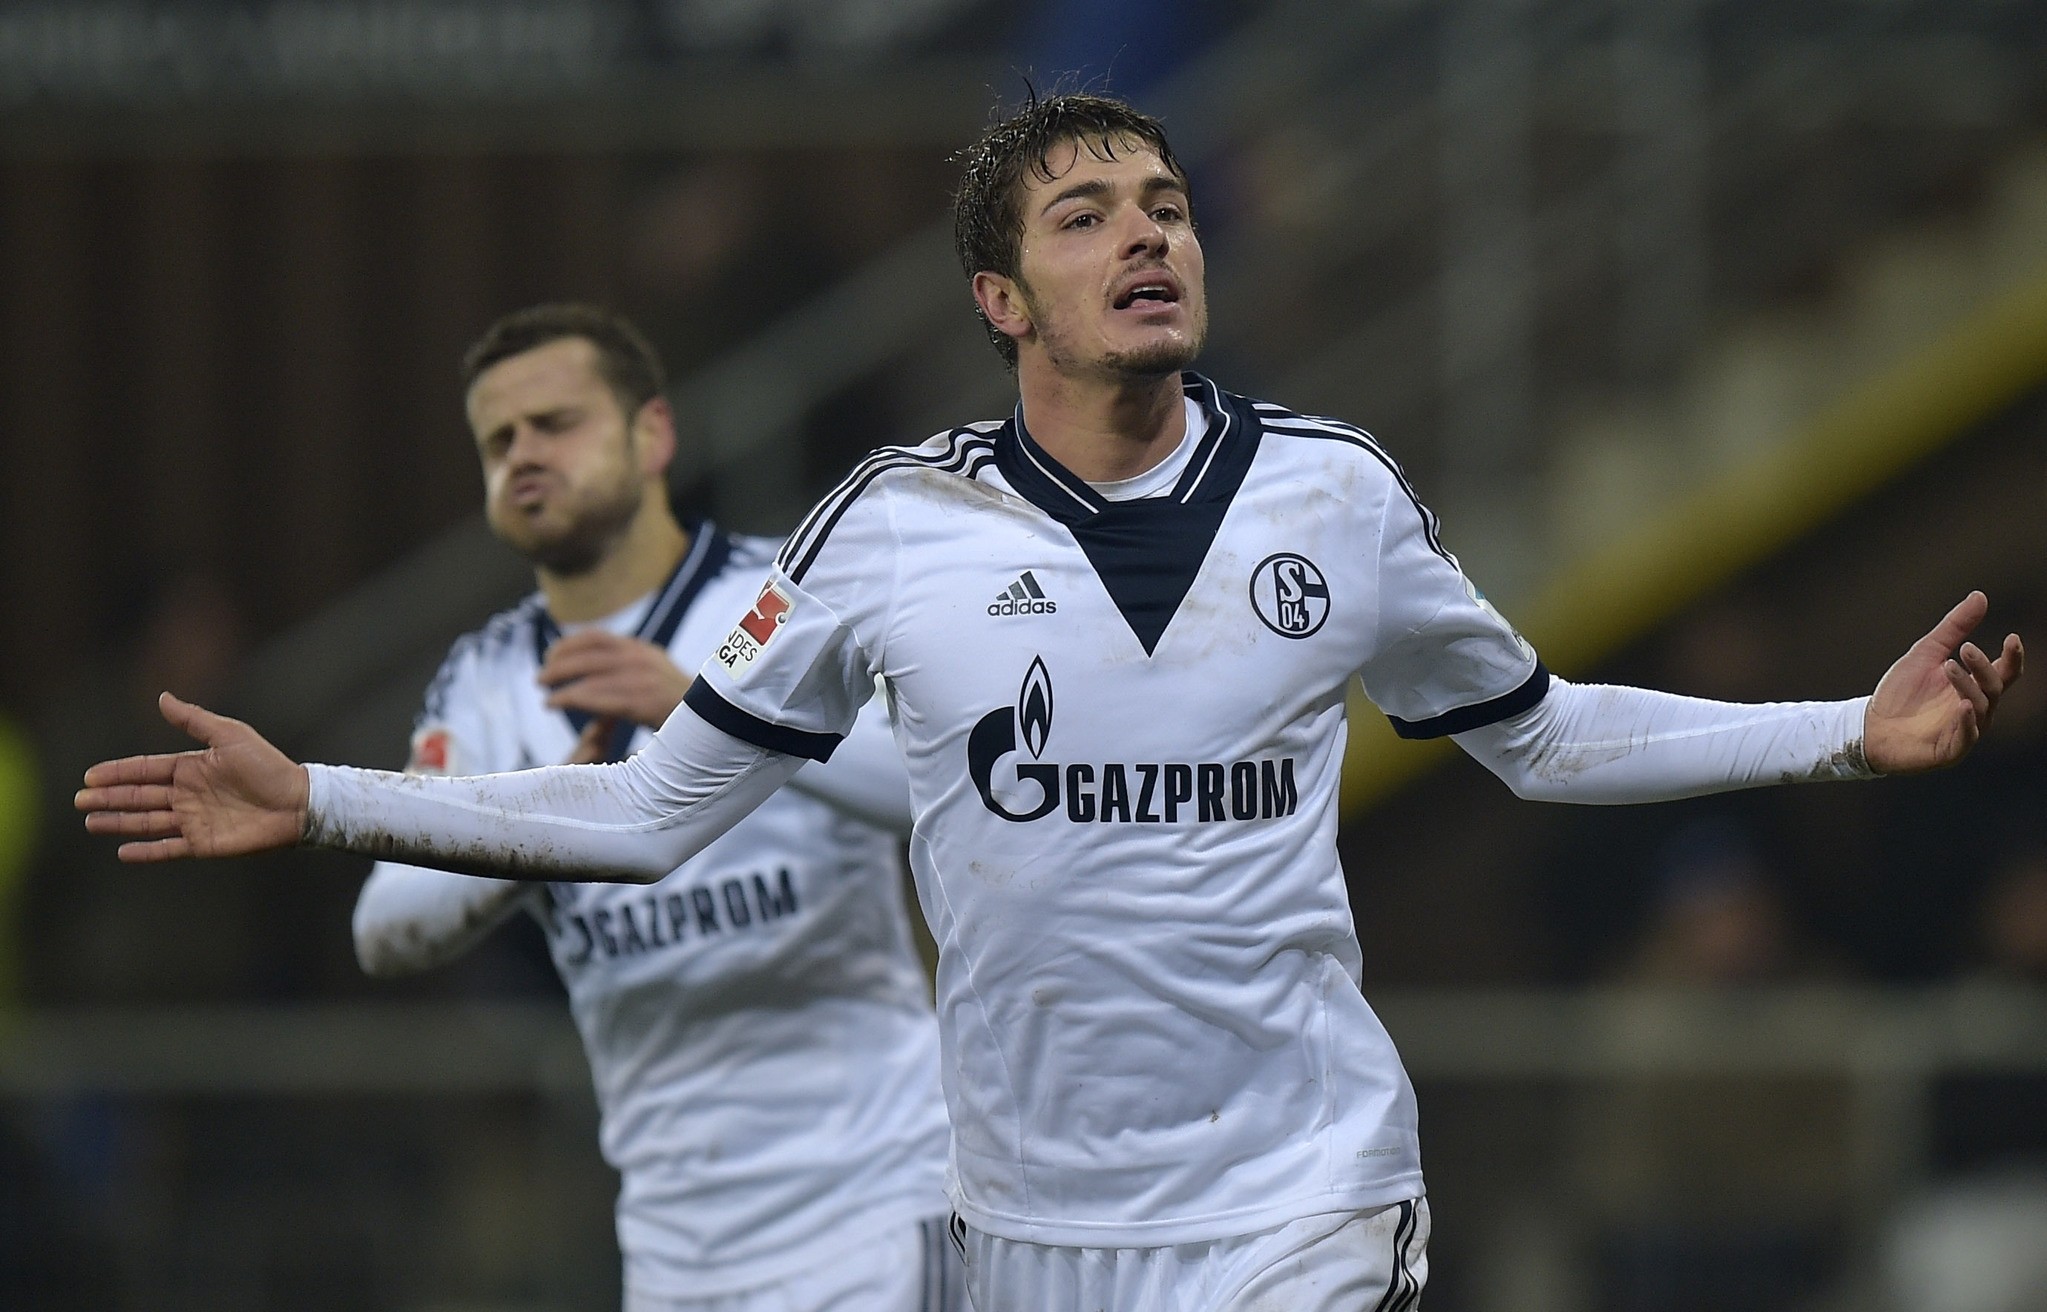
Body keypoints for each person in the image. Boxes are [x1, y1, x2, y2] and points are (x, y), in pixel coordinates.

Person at [77, 94, 2025, 1312]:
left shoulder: (1329, 496)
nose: (1147, 232)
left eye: (1164, 201)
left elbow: (1541, 730)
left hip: (1300, 1195)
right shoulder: (885, 532)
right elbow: (651, 812)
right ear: (1001, 297)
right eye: (1088, 213)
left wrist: (1843, 723)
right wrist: (326, 795)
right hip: (1029, 1230)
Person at [348, 305, 960, 1312]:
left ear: (655, 434)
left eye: (556, 423)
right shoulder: (488, 680)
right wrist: (531, 836)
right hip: (674, 1256)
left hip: (874, 1212)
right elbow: (385, 929)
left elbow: (934, 785)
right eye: (498, 440)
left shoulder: (791, 594)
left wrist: (707, 711)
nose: (524, 455)